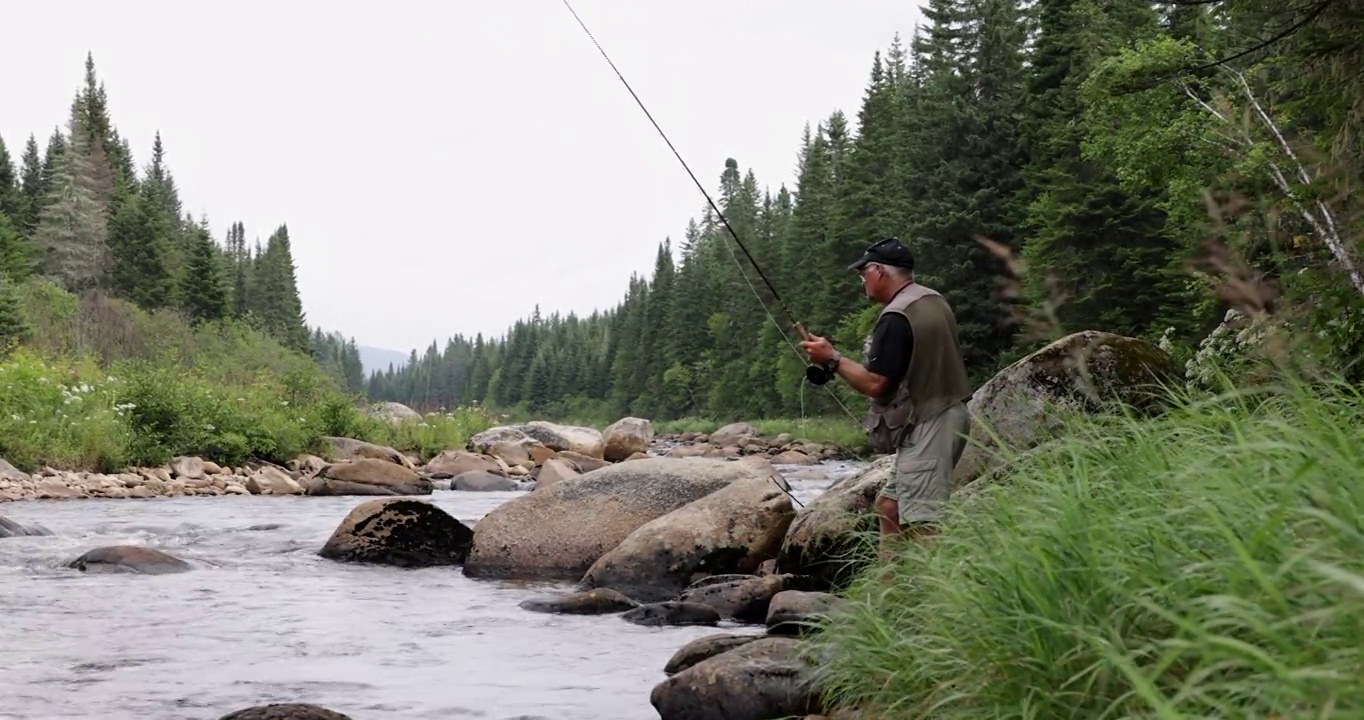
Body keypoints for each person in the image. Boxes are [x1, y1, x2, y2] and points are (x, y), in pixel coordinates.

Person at [798, 237, 973, 550]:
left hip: (929, 423)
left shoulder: (896, 316)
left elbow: (877, 384)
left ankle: (933, 595)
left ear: (878, 271)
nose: (862, 281)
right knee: (889, 508)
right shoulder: (932, 299)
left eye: (863, 273)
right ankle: (888, 591)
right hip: (950, 415)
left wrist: (832, 359)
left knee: (922, 521)